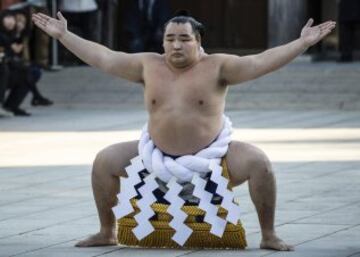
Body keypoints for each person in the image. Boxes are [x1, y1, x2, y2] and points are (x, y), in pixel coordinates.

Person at [32, 10, 335, 251]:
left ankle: (268, 235)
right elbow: (104, 57)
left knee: (260, 164)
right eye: (170, 38)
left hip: (213, 159)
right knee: (104, 161)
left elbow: (260, 61)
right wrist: (64, 36)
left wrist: (301, 43)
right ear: (162, 41)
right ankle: (106, 231)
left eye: (184, 39)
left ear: (198, 41)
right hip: (155, 159)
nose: (176, 45)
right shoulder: (147, 66)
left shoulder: (218, 67)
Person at [0, 10, 30, 116]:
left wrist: (19, 33)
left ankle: (10, 106)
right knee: (5, 68)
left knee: (31, 72)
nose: (10, 21)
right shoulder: (2, 35)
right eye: (7, 18)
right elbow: (15, 50)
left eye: (12, 18)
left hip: (9, 67)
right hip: (5, 67)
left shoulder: (13, 35)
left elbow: (18, 52)